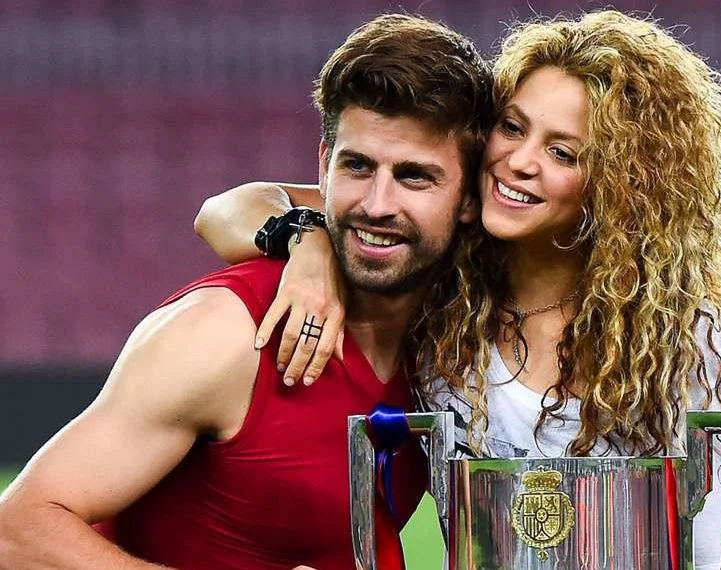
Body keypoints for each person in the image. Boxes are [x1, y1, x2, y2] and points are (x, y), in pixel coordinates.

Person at [194, 10, 721, 570]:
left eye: (562, 152)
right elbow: (226, 210)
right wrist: (308, 244)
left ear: (621, 183)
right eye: (512, 128)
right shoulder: (443, 274)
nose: (519, 162)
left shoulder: (683, 339)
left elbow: (717, 545)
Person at [0, 14, 494, 570]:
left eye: (414, 176)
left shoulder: (453, 338)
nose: (376, 205)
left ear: (470, 198)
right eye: (357, 166)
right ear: (324, 166)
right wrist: (304, 236)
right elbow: (16, 531)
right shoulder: (225, 332)